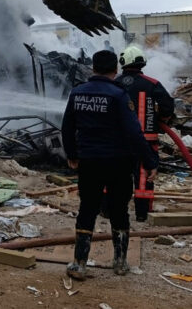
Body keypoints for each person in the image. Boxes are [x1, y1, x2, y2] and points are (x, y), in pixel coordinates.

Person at [61, 50, 158, 279]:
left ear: (92, 68)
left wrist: (72, 154)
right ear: (115, 70)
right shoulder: (118, 95)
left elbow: (67, 127)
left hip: (89, 162)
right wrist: (150, 160)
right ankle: (120, 263)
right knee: (119, 210)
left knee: (87, 209)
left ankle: (79, 263)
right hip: (118, 163)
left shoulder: (77, 93)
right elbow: (134, 133)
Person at [115, 45, 175, 221]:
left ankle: (108, 209)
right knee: (144, 176)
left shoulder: (114, 83)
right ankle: (142, 215)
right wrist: (161, 119)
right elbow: (167, 106)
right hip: (146, 140)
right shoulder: (152, 84)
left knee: (115, 174)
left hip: (118, 140)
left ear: (123, 62)